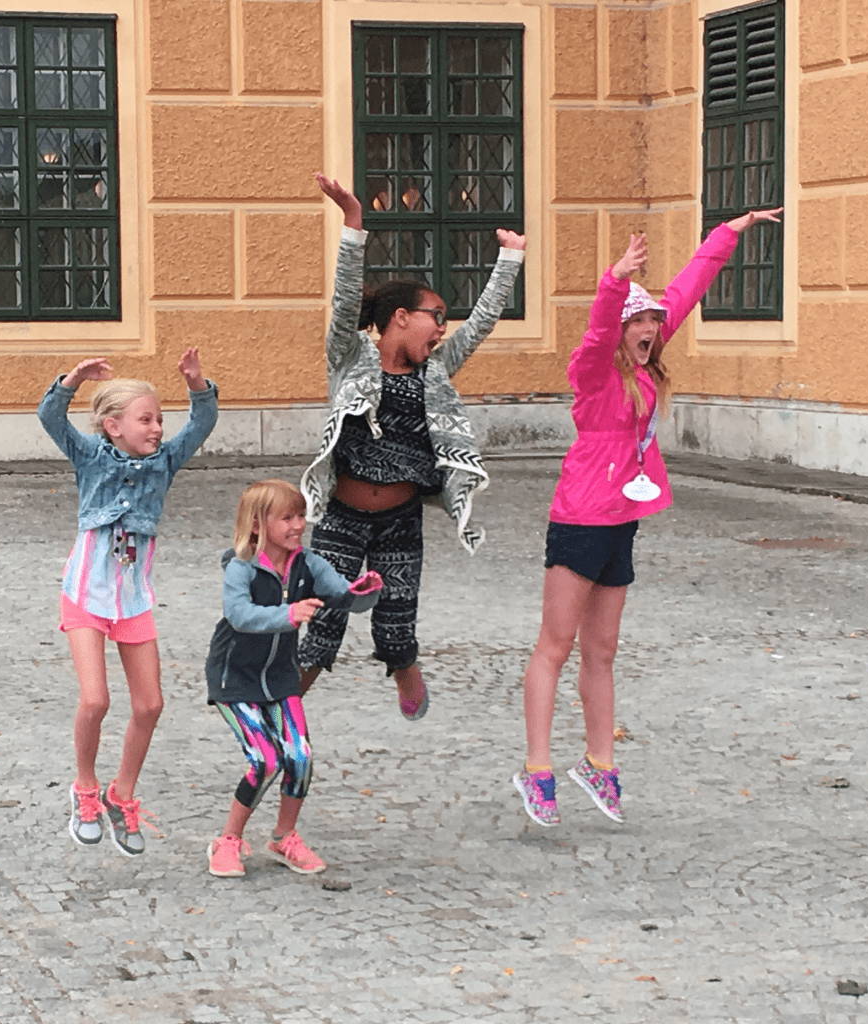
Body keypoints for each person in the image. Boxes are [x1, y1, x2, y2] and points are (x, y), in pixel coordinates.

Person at [515, 207, 784, 828]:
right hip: (581, 518)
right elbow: (596, 328)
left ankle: (599, 763)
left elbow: (686, 289)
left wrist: (729, 233)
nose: (647, 328)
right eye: (637, 320)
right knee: (555, 646)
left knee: (602, 650)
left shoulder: (646, 369)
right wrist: (616, 281)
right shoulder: (593, 374)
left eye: (650, 321)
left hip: (621, 521)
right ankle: (537, 769)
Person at [298, 172, 526, 717]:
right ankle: (282, 712)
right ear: (400, 318)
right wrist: (354, 223)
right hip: (343, 518)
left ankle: (404, 667)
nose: (444, 329)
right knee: (321, 623)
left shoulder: (438, 369)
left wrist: (511, 259)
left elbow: (484, 324)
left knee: (396, 625)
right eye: (436, 318)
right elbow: (346, 295)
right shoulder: (349, 356)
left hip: (400, 518)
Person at [38, 349, 218, 855]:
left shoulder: (165, 461)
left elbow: (202, 423)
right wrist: (71, 380)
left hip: (133, 596)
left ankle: (122, 795)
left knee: (151, 704)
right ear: (114, 426)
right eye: (147, 419)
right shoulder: (90, 456)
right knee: (96, 700)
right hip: (86, 593)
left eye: (160, 419)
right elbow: (51, 416)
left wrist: (197, 384)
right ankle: (86, 790)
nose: (158, 428)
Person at [204, 479, 382, 878]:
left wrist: (364, 592)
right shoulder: (241, 567)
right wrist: (287, 615)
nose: (298, 524)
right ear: (256, 524)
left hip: (281, 676)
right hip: (235, 678)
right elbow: (239, 615)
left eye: (301, 515)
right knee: (265, 760)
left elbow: (343, 595)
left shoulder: (309, 563)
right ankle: (228, 841)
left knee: (299, 756)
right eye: (286, 517)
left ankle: (285, 836)